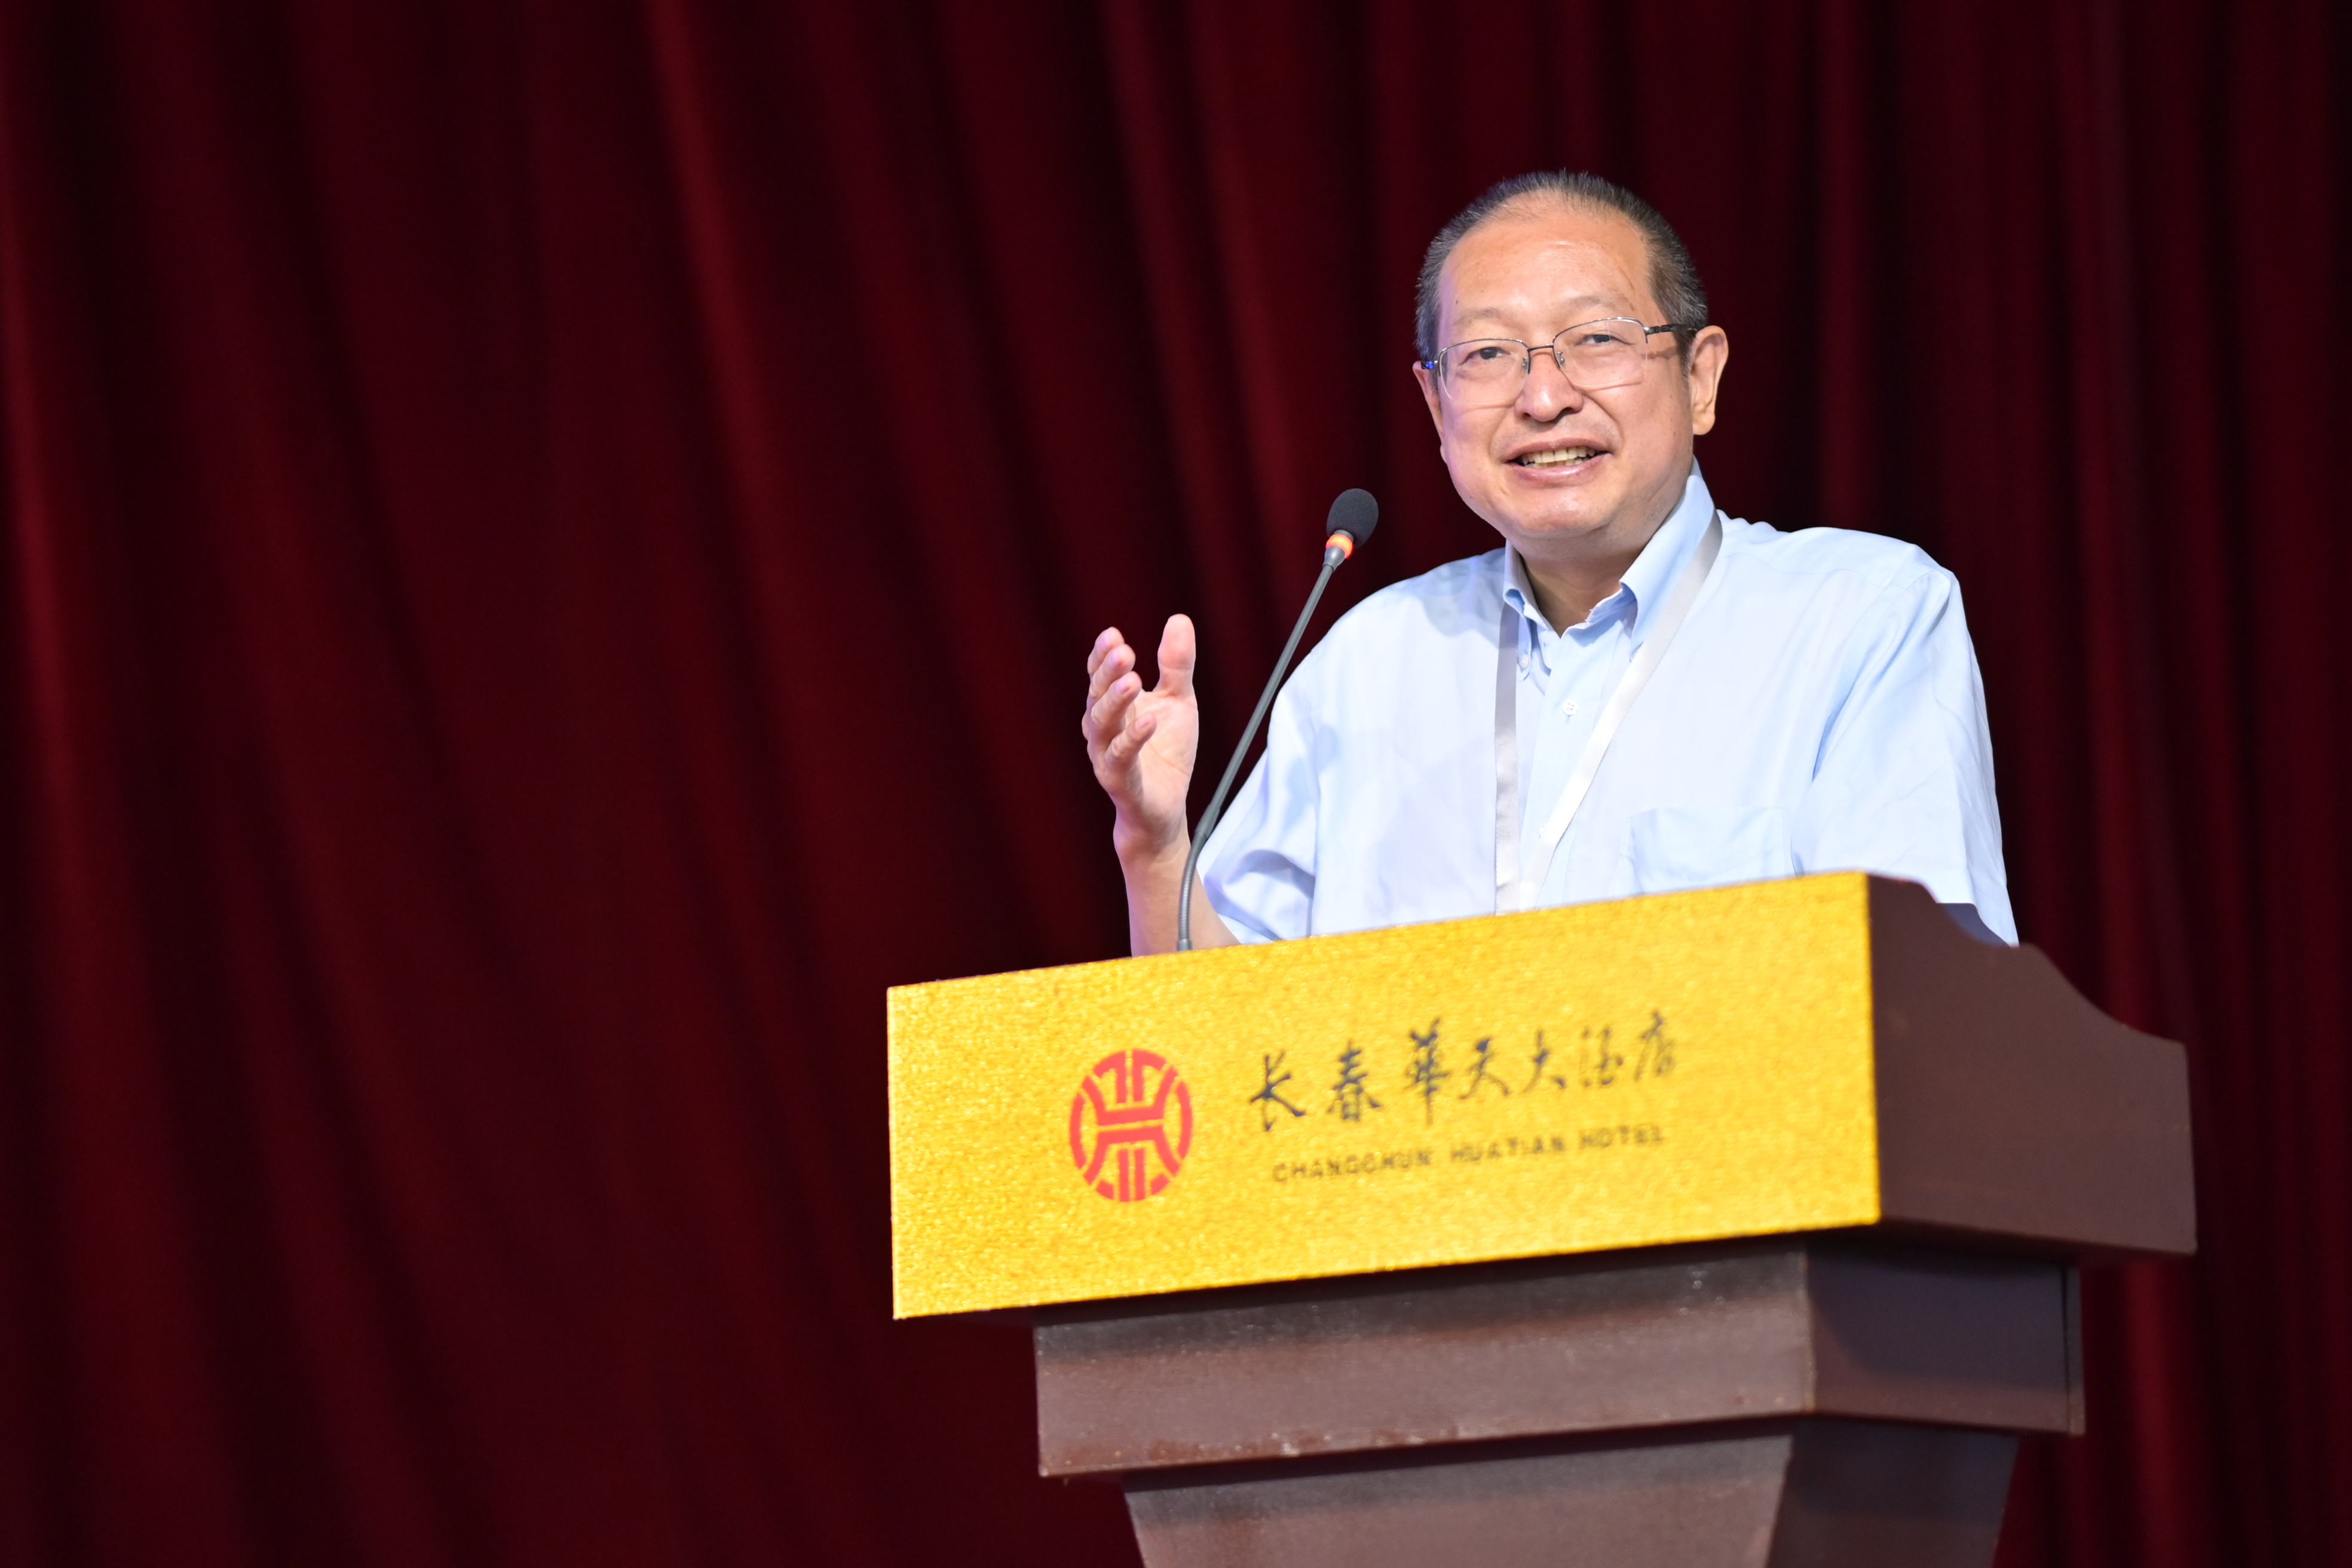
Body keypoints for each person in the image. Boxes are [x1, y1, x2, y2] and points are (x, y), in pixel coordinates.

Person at [1081, 170, 2013, 956]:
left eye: (1596, 339)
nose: (1542, 397)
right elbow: (1223, 1038)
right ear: (1435, 405)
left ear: (1700, 378)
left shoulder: (1863, 617)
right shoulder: (1365, 664)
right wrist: (1157, 852)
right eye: (1488, 354)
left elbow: (1928, 996)